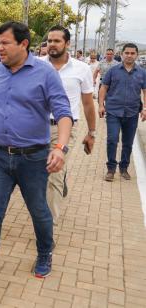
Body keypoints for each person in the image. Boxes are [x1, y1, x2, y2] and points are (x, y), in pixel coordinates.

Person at [0, 21, 73, 300]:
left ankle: (45, 252)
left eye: (4, 43)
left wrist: (59, 147)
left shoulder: (45, 73)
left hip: (33, 158)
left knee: (39, 212)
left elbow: (63, 112)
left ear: (23, 45)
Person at [41, 26, 96, 225]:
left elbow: (88, 103)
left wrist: (92, 133)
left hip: (64, 129)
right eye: (49, 41)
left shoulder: (81, 69)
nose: (52, 44)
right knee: (39, 174)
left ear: (67, 44)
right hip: (36, 128)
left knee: (53, 175)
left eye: (57, 41)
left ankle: (48, 227)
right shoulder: (37, 65)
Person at [98, 43, 146, 181]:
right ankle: (111, 169)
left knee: (128, 142)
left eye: (132, 53)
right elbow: (103, 88)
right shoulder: (113, 71)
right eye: (127, 53)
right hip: (113, 111)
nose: (129, 55)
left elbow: (145, 91)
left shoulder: (142, 72)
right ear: (122, 54)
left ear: (136, 55)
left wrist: (144, 109)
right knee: (112, 139)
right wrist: (101, 105)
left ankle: (124, 168)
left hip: (132, 113)